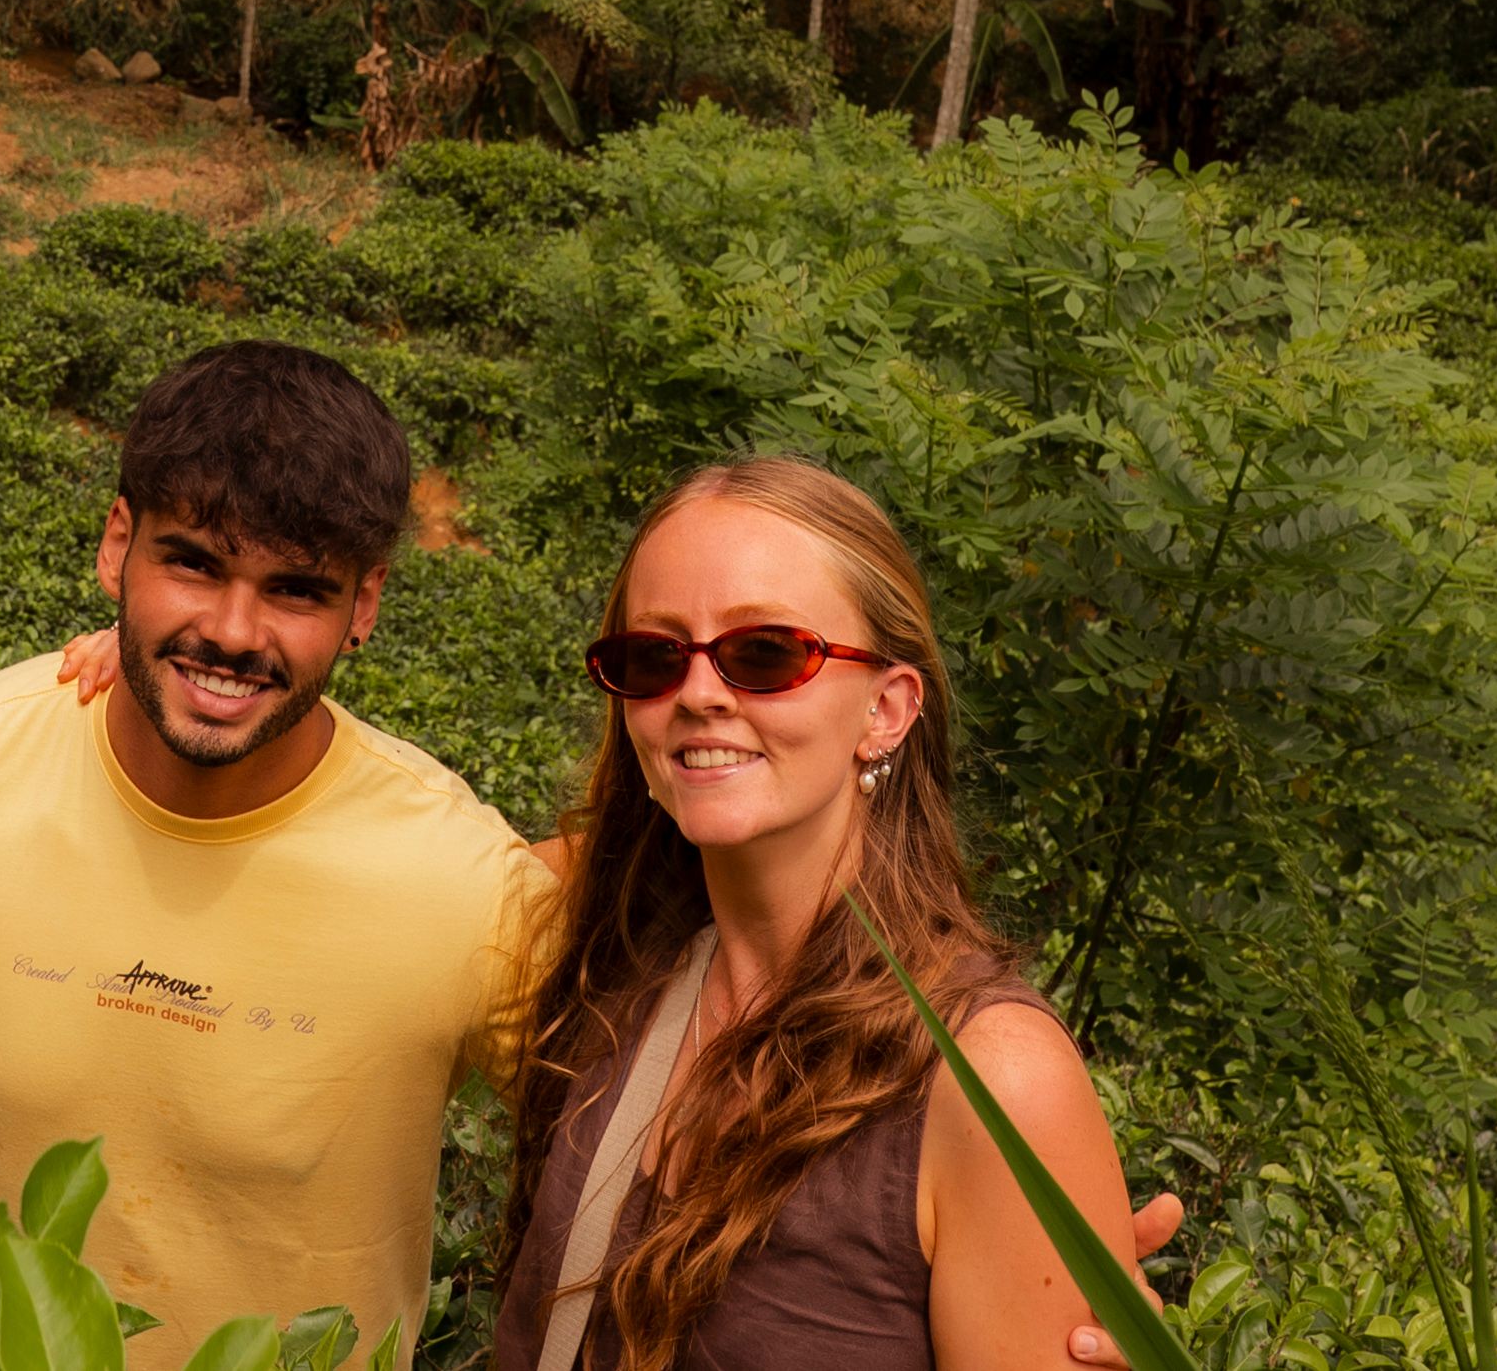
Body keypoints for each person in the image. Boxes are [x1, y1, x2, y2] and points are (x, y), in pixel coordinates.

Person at [0, 345, 548, 1367]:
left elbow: (629, 1167)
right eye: (194, 564)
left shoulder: (465, 887)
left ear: (367, 606)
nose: (232, 632)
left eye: (296, 590)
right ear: (117, 545)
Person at [494, 460, 1156, 1371]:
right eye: (652, 658)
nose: (698, 694)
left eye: (765, 653)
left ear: (886, 709)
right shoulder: (609, 962)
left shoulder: (989, 1076)